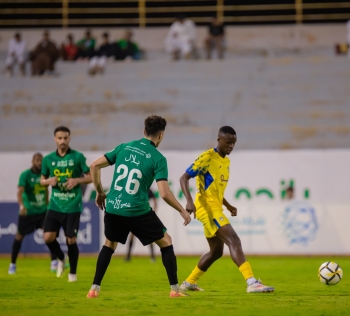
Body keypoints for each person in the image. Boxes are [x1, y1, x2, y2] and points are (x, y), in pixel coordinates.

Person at [86, 115, 191, 299]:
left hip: (113, 207)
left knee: (109, 244)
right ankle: (175, 290)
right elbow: (165, 193)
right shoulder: (158, 158)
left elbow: (94, 166)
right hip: (136, 209)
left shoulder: (123, 147)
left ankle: (94, 289)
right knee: (166, 241)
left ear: (144, 132)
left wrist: (100, 192)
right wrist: (182, 211)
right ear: (161, 136)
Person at [179, 126, 274, 293]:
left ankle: (189, 283)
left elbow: (214, 190)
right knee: (234, 240)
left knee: (216, 252)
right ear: (219, 140)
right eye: (228, 142)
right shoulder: (207, 157)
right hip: (206, 208)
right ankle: (252, 282)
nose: (231, 146)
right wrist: (189, 201)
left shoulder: (226, 161)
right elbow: (184, 178)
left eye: (234, 143)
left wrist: (228, 205)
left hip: (215, 206)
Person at [40, 126, 92, 282]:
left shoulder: (78, 157)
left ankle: (73, 274)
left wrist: (77, 180)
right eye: (59, 138)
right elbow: (42, 181)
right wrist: (48, 181)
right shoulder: (48, 159)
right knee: (48, 237)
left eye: (65, 138)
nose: (62, 141)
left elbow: (90, 178)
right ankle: (61, 258)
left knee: (71, 240)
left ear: (69, 139)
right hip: (55, 205)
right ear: (55, 139)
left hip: (72, 205)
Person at [8, 153, 57, 275]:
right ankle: (12, 264)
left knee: (49, 235)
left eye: (41, 160)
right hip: (28, 212)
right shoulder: (25, 175)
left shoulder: (44, 175)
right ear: (32, 161)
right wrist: (21, 205)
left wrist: (47, 206)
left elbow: (46, 190)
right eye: (37, 160)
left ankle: (54, 262)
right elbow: (20, 191)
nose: (39, 162)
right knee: (19, 236)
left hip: (42, 212)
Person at [124, 188, 158, 262]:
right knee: (133, 235)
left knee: (149, 236)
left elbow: (155, 201)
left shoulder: (147, 190)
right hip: (138, 215)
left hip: (144, 215)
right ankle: (128, 256)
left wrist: (152, 213)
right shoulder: (140, 189)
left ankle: (152, 256)